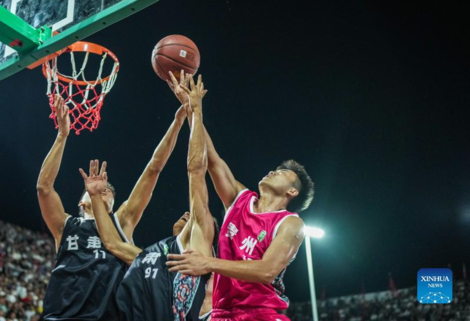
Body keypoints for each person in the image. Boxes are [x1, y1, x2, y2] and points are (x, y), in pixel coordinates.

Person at [165, 76, 315, 320]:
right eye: (276, 168)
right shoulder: (240, 199)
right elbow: (210, 156)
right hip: (222, 313)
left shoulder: (290, 223)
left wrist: (208, 263)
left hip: (262, 314)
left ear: (292, 192)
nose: (273, 171)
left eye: (282, 173)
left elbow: (266, 271)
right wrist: (194, 109)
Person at [36, 92, 188, 320]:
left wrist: (178, 120)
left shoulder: (122, 222)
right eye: (101, 190)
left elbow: (153, 169)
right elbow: (43, 188)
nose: (106, 189)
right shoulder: (65, 225)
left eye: (110, 193)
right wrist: (62, 135)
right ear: (82, 201)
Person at [80, 74, 215, 320]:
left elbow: (195, 170)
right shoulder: (156, 255)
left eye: (194, 216)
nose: (187, 215)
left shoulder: (197, 249)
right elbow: (112, 244)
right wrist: (96, 196)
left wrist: (195, 110)